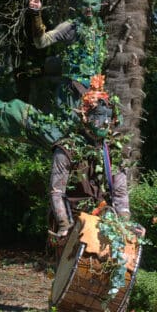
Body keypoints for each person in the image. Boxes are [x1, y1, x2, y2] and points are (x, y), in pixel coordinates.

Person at [48, 74, 131, 237]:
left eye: (108, 117)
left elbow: (120, 193)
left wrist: (125, 224)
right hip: (73, 221)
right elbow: (56, 191)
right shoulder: (66, 149)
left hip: (104, 222)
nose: (105, 123)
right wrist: (64, 224)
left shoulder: (113, 150)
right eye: (99, 116)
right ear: (86, 116)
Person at [27, 0, 107, 116]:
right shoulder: (70, 27)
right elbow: (41, 42)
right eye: (85, 4)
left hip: (94, 93)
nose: (89, 8)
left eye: (93, 4)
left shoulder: (100, 29)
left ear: (100, 5)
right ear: (79, 5)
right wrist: (36, 14)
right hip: (72, 91)